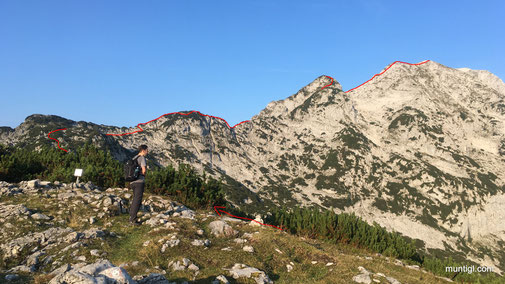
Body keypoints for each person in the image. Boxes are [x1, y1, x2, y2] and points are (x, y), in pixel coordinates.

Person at [129, 144, 148, 226]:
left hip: (132, 182)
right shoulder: (142, 158)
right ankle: (133, 220)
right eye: (147, 150)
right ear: (143, 150)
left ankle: (132, 217)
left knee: (135, 199)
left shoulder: (134, 158)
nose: (147, 152)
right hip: (139, 182)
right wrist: (144, 175)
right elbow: (143, 170)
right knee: (137, 200)